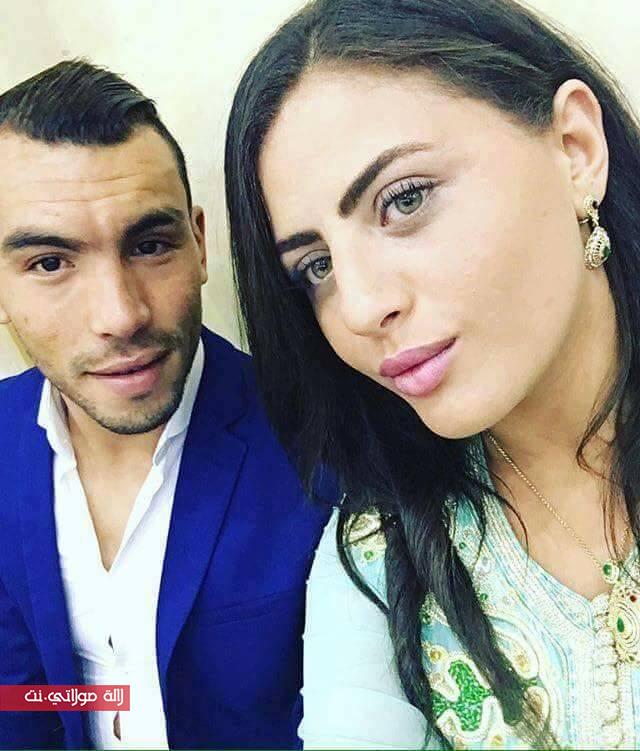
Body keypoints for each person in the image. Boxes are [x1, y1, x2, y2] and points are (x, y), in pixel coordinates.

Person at [224, 0, 640, 747]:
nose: (359, 307)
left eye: (404, 200)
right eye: (316, 266)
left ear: (575, 150)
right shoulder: (381, 560)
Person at [0, 60, 330, 750]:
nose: (121, 315)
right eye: (51, 263)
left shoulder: (323, 441)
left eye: (150, 246)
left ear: (199, 243)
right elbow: (21, 693)